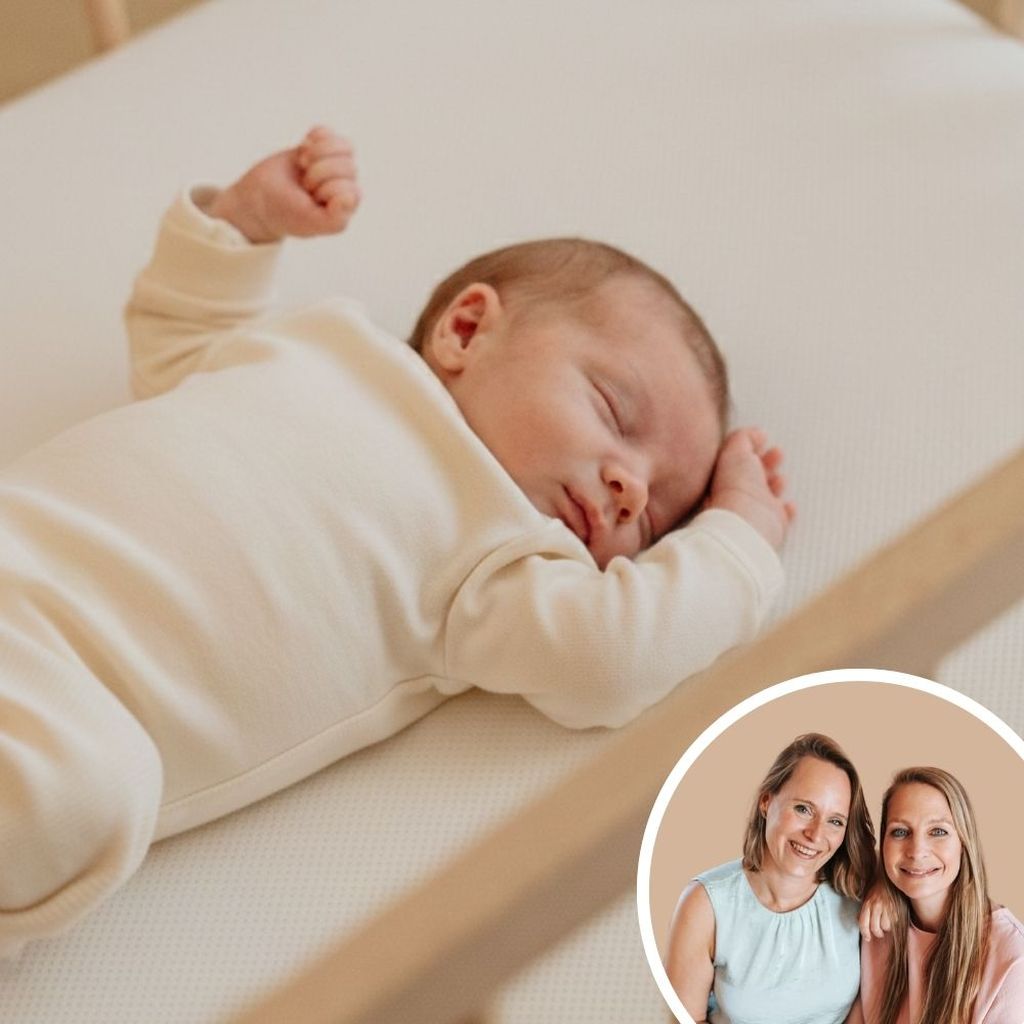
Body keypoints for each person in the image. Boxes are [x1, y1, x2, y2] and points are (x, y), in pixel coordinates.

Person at [0, 127, 793, 959]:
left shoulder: (503, 565)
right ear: (466, 330)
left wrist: (738, 539)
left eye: (657, 519)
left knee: (88, 801)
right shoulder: (327, 345)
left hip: (66, 708)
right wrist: (243, 223)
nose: (630, 486)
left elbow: (612, 654)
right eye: (612, 412)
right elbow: (180, 343)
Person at [665, 733, 875, 1023]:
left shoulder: (858, 897)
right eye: (803, 809)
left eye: (835, 821)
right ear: (766, 801)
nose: (815, 835)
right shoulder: (706, 904)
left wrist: (887, 895)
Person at [846, 767, 1024, 1024]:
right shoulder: (878, 926)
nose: (917, 851)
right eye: (900, 832)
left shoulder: (1012, 959)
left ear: (964, 843)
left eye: (938, 831)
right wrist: (879, 883)